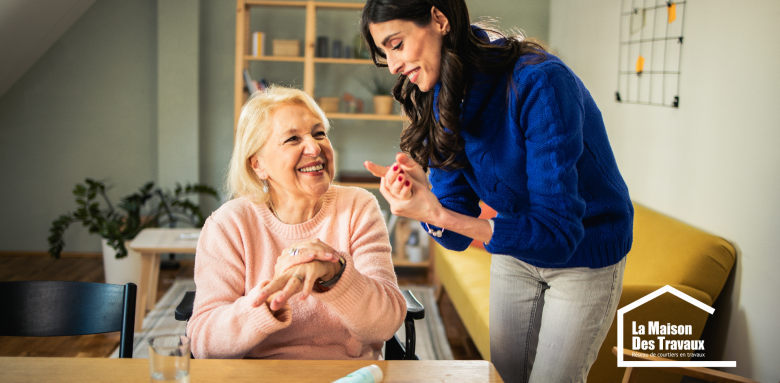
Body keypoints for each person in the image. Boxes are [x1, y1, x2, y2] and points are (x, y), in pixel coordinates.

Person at [360, 0, 633, 382]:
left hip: (584, 252)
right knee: (503, 376)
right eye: (384, 53)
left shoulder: (541, 82)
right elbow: (454, 232)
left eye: (397, 44)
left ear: (439, 19)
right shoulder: (440, 93)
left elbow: (559, 234)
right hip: (516, 245)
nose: (393, 66)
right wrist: (426, 205)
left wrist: (438, 214)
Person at [187, 85, 406, 360]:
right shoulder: (229, 225)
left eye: (319, 134)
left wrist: (335, 274)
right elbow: (204, 342)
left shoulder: (358, 207)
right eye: (292, 139)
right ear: (258, 165)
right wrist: (264, 304)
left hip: (348, 374)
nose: (315, 148)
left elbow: (385, 325)